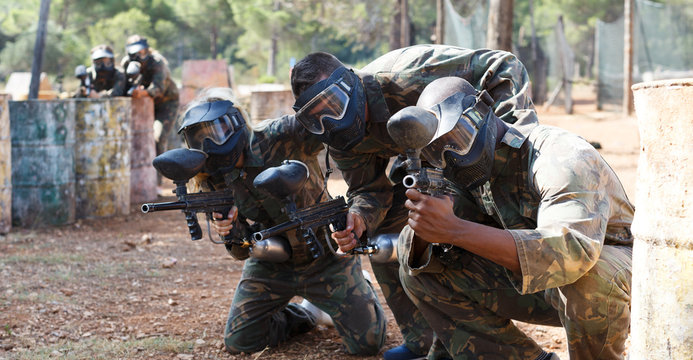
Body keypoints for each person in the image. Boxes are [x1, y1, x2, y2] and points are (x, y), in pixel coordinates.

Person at [290, 44, 536, 360]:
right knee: (384, 239)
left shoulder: (405, 76)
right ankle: (424, 340)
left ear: (350, 82)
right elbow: (369, 189)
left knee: (470, 217)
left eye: (334, 104)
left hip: (470, 144)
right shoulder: (339, 138)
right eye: (316, 118)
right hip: (422, 164)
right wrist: (359, 218)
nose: (330, 120)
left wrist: (508, 138)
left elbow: (502, 64)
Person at [395, 76, 633, 359]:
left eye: (458, 139)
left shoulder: (559, 157)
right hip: (545, 287)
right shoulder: (461, 172)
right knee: (423, 267)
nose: (452, 157)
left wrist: (454, 230)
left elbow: (572, 253)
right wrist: (427, 228)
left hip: (623, 282)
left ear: (484, 112)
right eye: (437, 152)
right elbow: (421, 253)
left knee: (593, 276)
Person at [178, 87, 386, 355]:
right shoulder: (210, 178)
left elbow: (339, 133)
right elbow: (241, 251)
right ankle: (305, 314)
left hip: (325, 256)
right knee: (240, 342)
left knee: (368, 345)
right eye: (200, 138)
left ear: (237, 123)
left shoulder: (281, 135)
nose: (210, 145)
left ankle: (361, 284)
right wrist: (229, 231)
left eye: (217, 132)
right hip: (272, 262)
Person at [122, 34, 180, 158]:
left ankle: (159, 174)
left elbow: (158, 89)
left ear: (147, 50)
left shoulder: (157, 62)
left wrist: (142, 92)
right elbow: (123, 86)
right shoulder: (127, 64)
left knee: (158, 138)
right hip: (143, 105)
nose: (139, 57)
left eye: (142, 52)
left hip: (166, 103)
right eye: (135, 54)